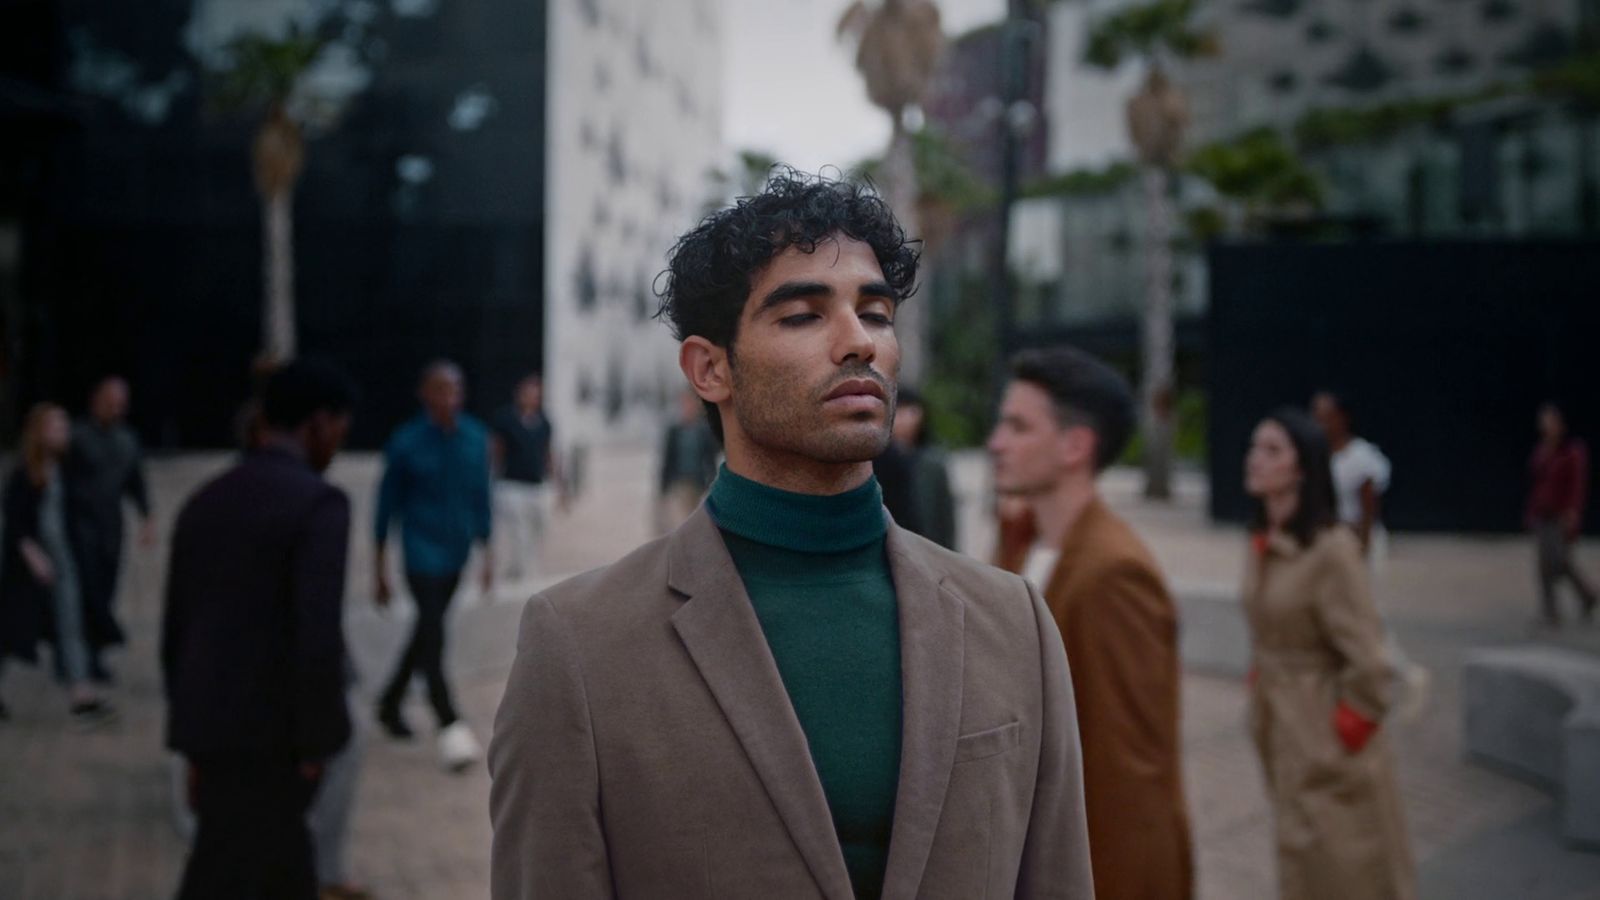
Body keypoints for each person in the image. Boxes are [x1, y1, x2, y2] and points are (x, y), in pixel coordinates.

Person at [488, 172, 1093, 899]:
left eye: (875, 313)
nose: (858, 343)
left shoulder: (1014, 622)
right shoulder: (579, 646)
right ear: (710, 369)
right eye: (804, 315)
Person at [989, 346, 1192, 900]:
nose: (995, 442)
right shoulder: (1023, 544)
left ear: (1075, 446)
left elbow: (1129, 778)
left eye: (1018, 426)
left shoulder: (1116, 574)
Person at [162, 361, 357, 900]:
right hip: (276, 745)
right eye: (340, 429)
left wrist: (190, 744)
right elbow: (316, 637)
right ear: (318, 423)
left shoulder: (204, 501)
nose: (338, 443)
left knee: (223, 868)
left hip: (212, 737)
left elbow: (177, 634)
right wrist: (317, 746)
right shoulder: (319, 505)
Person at [1243, 407, 1415, 900]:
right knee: (1300, 858)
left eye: (1272, 450)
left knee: (1345, 866)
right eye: (1255, 447)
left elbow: (1368, 654)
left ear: (1302, 468)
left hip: (1324, 732)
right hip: (1280, 723)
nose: (1255, 459)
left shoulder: (1332, 549)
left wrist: (1348, 728)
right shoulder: (1262, 540)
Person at [374, 360, 493, 770]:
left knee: (425, 631)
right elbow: (384, 508)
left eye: (456, 390)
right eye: (441, 390)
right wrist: (379, 569)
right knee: (433, 635)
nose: (449, 398)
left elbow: (481, 498)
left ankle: (389, 702)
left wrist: (488, 552)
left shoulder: (476, 439)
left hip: (456, 555)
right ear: (424, 394)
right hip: (420, 555)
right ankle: (450, 721)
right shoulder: (406, 443)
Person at [1310, 390, 1428, 718]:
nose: (1321, 422)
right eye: (1316, 415)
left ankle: (1399, 672)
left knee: (1365, 611)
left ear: (1342, 418)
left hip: (1357, 546)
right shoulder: (1319, 456)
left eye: (1327, 415)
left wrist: (1357, 555)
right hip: (1332, 546)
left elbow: (1367, 514)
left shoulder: (1361, 458)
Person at [0, 404, 116, 724]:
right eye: (56, 427)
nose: (63, 433)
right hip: (29, 566)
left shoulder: (66, 467)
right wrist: (32, 555)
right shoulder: (26, 471)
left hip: (63, 563)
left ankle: (81, 695)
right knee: (11, 632)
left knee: (71, 626)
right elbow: (15, 520)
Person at [65, 376, 153, 683]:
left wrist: (146, 516)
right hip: (79, 525)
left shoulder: (127, 440)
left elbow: (135, 481)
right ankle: (80, 655)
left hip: (110, 526)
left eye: (120, 404)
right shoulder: (76, 438)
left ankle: (94, 654)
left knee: (106, 587)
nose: (115, 409)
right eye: (109, 402)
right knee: (85, 592)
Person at [1526, 401, 1595, 626]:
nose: (1546, 425)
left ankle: (1587, 595)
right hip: (1542, 514)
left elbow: (1577, 484)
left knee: (1560, 560)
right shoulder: (1543, 449)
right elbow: (1538, 483)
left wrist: (1572, 510)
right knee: (1544, 565)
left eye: (1550, 421)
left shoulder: (1571, 451)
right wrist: (1531, 512)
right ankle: (1551, 611)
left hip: (1559, 514)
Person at [489, 374, 558, 582]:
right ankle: (521, 569)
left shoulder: (544, 422)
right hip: (512, 484)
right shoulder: (505, 419)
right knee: (518, 531)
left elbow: (548, 453)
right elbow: (496, 449)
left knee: (539, 527)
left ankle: (528, 564)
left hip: (537, 485)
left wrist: (557, 482)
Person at [892, 385, 956, 550]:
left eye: (910, 410)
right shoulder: (875, 460)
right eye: (899, 410)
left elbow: (944, 517)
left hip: (927, 545)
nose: (904, 418)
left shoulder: (932, 462)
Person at [654, 387, 719, 534]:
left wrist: (712, 482)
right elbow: (667, 460)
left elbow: (710, 458)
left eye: (690, 403)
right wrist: (662, 488)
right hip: (679, 483)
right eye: (684, 404)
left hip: (698, 483)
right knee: (681, 521)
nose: (687, 407)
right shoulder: (674, 431)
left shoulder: (703, 430)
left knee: (694, 520)